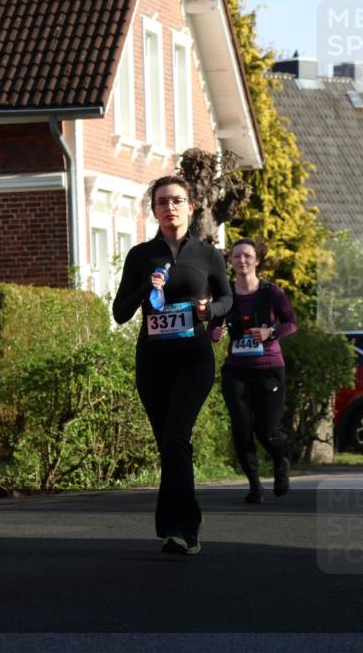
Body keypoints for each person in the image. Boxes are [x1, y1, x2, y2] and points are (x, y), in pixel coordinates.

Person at [112, 175, 233, 556]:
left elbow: (228, 300)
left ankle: (182, 529)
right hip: (152, 361)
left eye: (177, 200)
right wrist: (144, 286)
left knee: (178, 436)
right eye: (162, 202)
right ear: (154, 210)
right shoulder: (140, 255)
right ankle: (180, 523)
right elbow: (119, 312)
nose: (170, 207)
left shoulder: (209, 255)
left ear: (190, 207)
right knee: (168, 444)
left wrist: (208, 310)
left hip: (193, 360)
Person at [210, 239, 296, 503]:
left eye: (247, 256)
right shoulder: (225, 295)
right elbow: (212, 328)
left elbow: (291, 323)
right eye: (236, 257)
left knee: (267, 431)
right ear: (231, 262)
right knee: (241, 428)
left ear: (257, 260)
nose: (242, 261)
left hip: (269, 369)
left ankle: (281, 461)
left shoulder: (272, 292)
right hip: (236, 371)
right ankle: (255, 484)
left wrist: (271, 332)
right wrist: (215, 332)